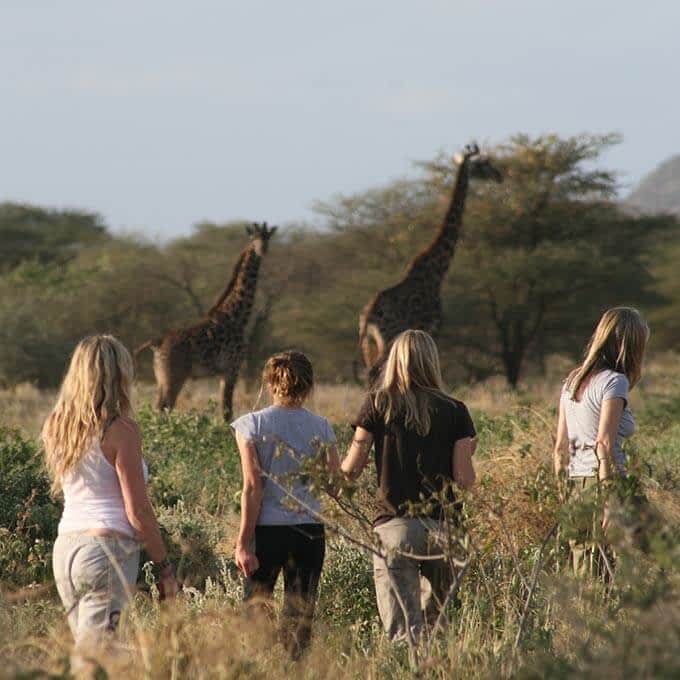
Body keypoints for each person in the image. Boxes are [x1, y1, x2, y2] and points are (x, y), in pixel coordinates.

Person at [43, 335, 178, 653]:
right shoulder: (122, 430)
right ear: (119, 375)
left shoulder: (57, 425)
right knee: (96, 656)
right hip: (107, 549)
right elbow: (138, 511)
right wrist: (164, 567)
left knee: (93, 650)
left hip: (66, 549)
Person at [341, 330, 476, 642]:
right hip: (445, 529)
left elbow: (351, 469)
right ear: (432, 361)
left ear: (394, 360)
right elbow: (465, 480)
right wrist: (469, 451)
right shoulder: (455, 409)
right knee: (438, 630)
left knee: (403, 635)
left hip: (394, 526)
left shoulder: (376, 404)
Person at [231, 351, 339, 659]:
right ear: (309, 386)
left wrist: (243, 543)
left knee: (256, 611)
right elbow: (334, 487)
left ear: (269, 383)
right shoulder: (322, 427)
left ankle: (260, 668)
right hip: (309, 530)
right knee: (300, 614)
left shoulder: (250, 425)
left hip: (267, 531)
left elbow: (253, 487)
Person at [553, 307, 649, 575]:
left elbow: (560, 447)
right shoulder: (614, 382)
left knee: (587, 566)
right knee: (659, 552)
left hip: (575, 483)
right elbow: (604, 443)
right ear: (630, 345)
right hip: (608, 481)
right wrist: (609, 501)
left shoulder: (572, 381)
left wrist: (565, 495)